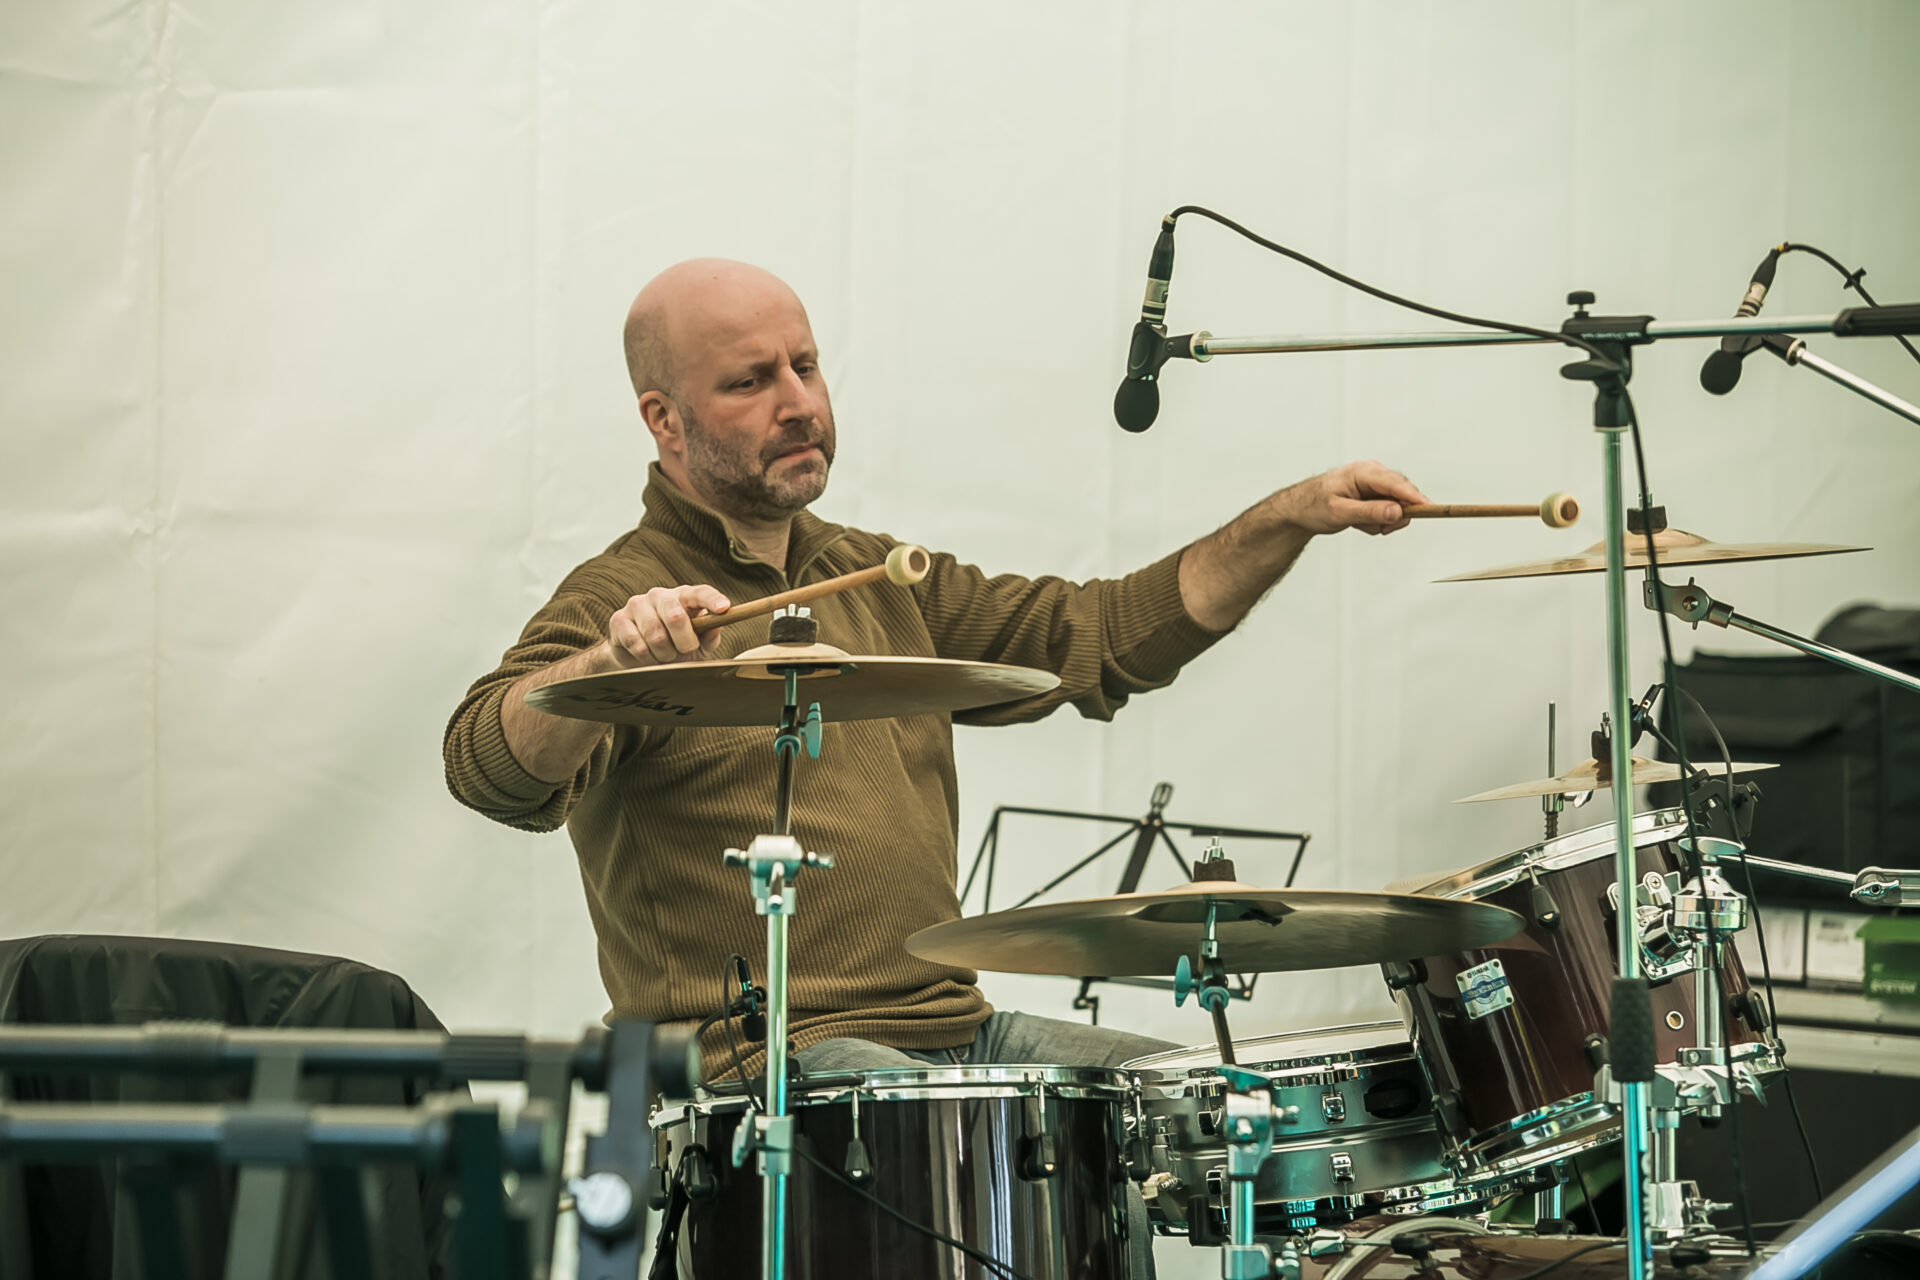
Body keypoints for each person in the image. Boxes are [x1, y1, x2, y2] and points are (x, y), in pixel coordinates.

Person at [443, 258, 1424, 1272]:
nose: (798, 402)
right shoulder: (620, 599)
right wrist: (609, 663)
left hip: (964, 1032)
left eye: (806, 365)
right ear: (664, 419)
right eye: (750, 381)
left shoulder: (873, 575)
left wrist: (1286, 517)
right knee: (934, 1134)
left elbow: (1102, 637)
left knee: (1230, 1106)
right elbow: (485, 765)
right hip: (764, 1064)